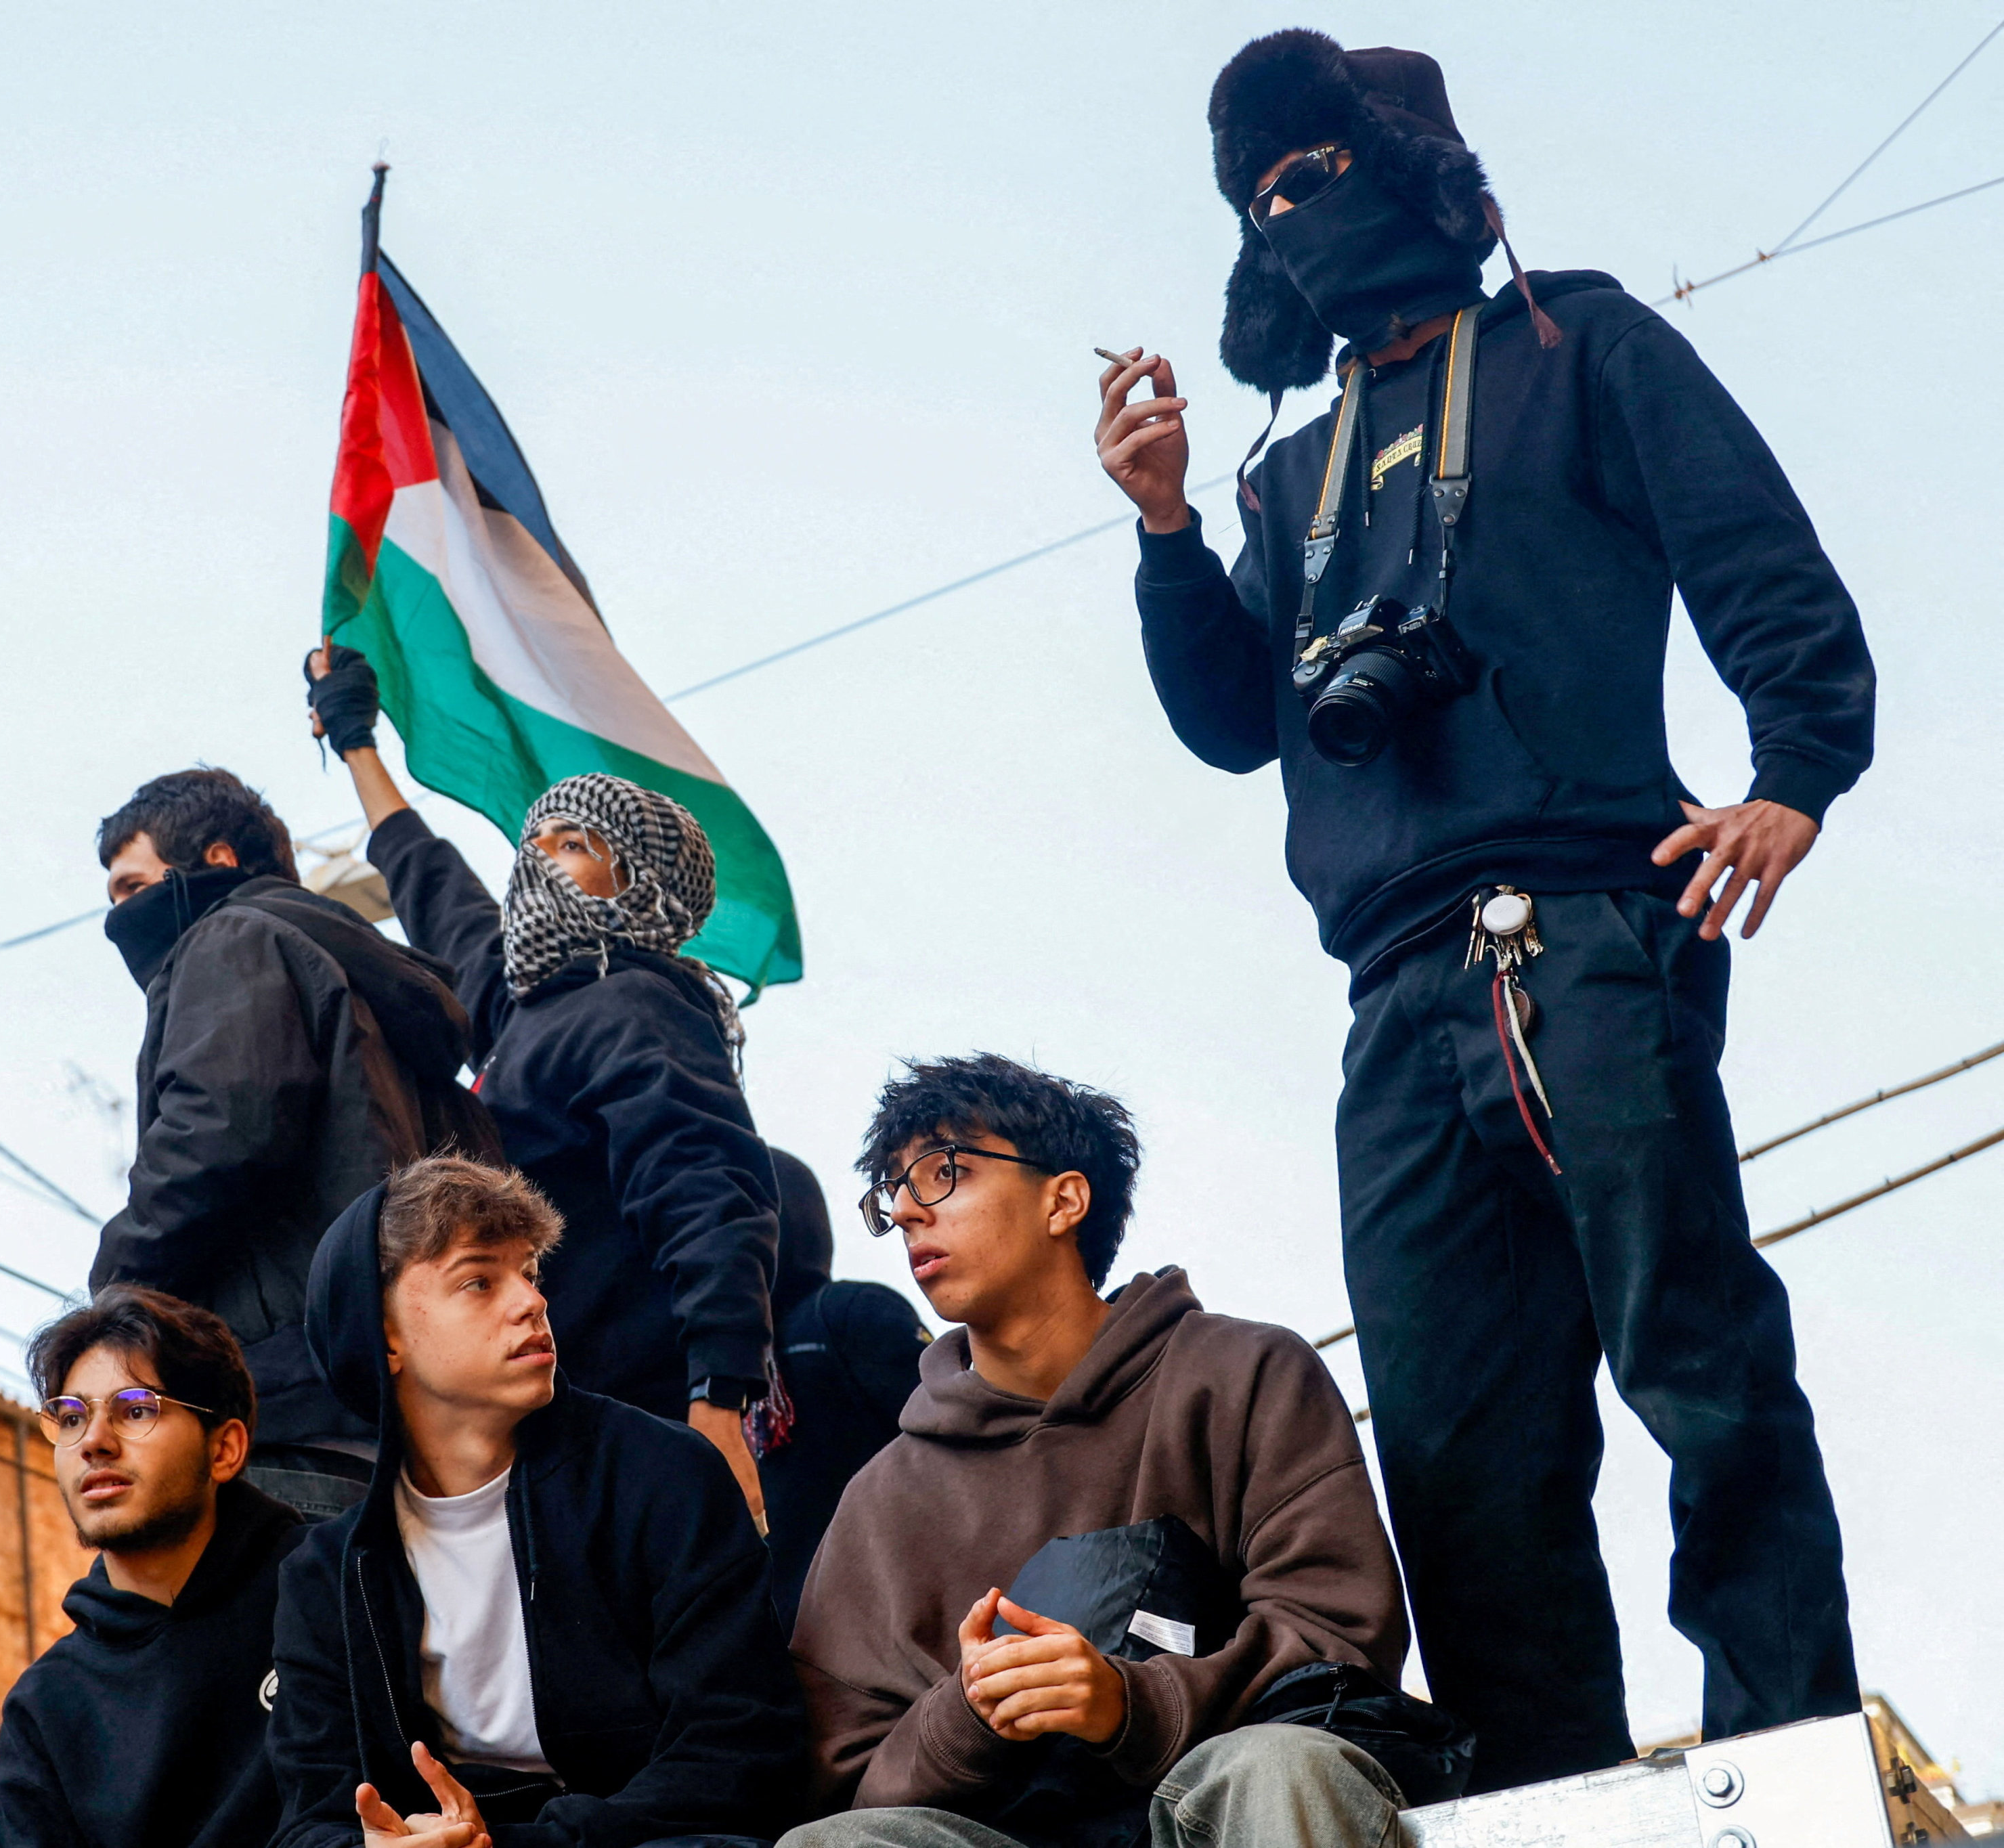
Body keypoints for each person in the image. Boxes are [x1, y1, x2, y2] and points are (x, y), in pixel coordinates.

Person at [1095, 30, 1869, 1788]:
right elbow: (1234, 723)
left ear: (1416, 171)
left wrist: (1791, 773)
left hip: (1584, 924)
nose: (1295, 212)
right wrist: (1157, 529)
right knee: (1454, 1438)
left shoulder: (1573, 339)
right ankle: (1549, 1801)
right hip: (1387, 993)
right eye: (1262, 196)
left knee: (1692, 1354)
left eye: (1321, 171)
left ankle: (1788, 1764)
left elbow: (1751, 553)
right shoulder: (1282, 472)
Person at [784, 1055, 1420, 1848]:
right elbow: (840, 1783)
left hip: (1221, 1803)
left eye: (944, 1172)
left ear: (1065, 1200)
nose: (909, 1210)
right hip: (1006, 1833)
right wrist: (969, 1713)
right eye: (894, 1190)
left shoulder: (1242, 1374)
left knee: (1281, 1765)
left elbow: (1343, 1635)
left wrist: (1131, 1702)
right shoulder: (882, 1498)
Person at [303, 648, 781, 1523]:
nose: (538, 860)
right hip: (547, 1415)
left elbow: (707, 1188)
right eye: (535, 841)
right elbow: (430, 881)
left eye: (572, 844)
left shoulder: (636, 1004)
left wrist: (720, 1395)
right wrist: (355, 739)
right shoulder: (521, 1005)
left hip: (642, 1419)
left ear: (638, 879)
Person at [265, 1156, 805, 1848]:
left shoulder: (661, 1473)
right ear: (386, 1335)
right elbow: (310, 1822)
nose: (531, 1301)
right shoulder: (327, 1574)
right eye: (480, 1281)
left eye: (530, 1272)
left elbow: (741, 1755)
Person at [88, 767, 501, 1521]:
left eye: (130, 886)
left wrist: (114, 1291)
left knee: (283, 1633)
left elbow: (219, 1132)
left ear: (214, 862)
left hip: (287, 1399)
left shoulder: (232, 938)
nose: (118, 914)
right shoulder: (373, 988)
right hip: (402, 1405)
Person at [0, 1285, 305, 1848]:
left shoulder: (328, 1585)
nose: (94, 1442)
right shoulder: (50, 1703)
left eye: (136, 1411)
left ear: (223, 1450)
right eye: (71, 1418)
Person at [750, 1147, 930, 1633]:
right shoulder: (715, 1372)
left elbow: (956, 1450)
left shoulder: (845, 1313)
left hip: (893, 1630)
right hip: (790, 1650)